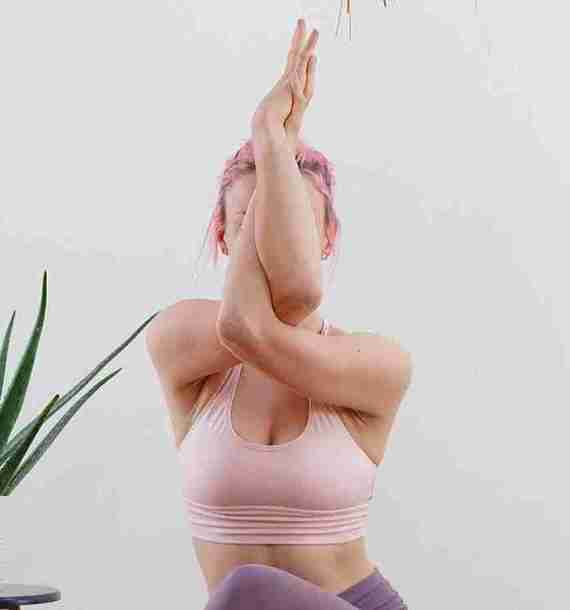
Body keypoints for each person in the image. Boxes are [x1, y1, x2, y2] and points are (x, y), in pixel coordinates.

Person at [146, 17, 412, 610]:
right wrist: (275, 157)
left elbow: (289, 300)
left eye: (290, 224)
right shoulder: (179, 341)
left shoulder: (378, 365)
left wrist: (270, 137)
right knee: (243, 592)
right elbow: (262, 313)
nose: (269, 243)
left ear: (327, 238)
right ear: (223, 234)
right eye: (250, 225)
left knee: (245, 586)